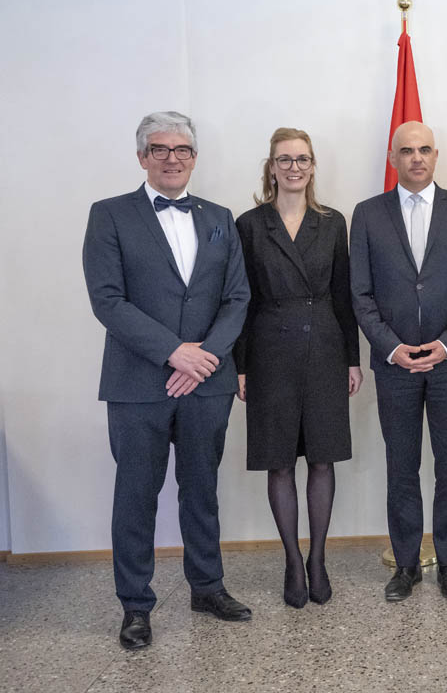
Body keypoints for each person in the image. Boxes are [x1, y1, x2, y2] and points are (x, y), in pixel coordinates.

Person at [82, 111, 251, 650]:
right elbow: (107, 300)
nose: (172, 158)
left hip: (208, 381)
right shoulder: (108, 215)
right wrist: (173, 353)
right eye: (160, 149)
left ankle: (207, 586)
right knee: (137, 495)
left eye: (182, 150)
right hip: (138, 382)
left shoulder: (221, 216)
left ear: (194, 157)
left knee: (201, 490)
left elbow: (237, 297)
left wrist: (203, 358)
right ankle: (135, 605)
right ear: (141, 157)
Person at [349, 121, 447, 602]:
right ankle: (406, 565)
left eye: (424, 149)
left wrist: (446, 345)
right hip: (395, 363)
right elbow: (360, 294)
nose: (416, 158)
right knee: (401, 466)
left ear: (436, 155)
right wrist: (392, 347)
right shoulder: (367, 215)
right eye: (406, 151)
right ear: (393, 158)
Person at [233, 128, 363, 608]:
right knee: (280, 459)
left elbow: (345, 295)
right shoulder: (248, 224)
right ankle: (291, 559)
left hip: (325, 346)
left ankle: (318, 558)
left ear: (313, 166)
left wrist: (353, 357)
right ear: (271, 167)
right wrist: (239, 366)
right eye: (284, 159)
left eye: (302, 159)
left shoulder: (332, 223)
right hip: (269, 349)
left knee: (323, 457)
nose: (293, 167)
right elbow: (240, 300)